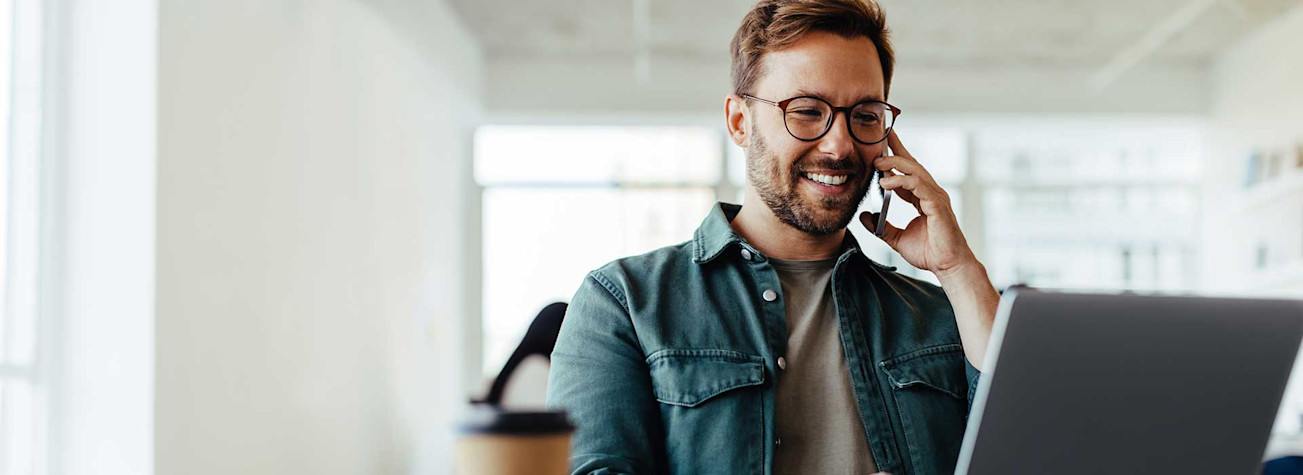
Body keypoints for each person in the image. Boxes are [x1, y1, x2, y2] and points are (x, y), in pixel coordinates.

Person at [546, 0, 1000, 473]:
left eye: (865, 116)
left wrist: (958, 269)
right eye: (806, 111)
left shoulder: (942, 316)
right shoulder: (624, 304)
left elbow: (1032, 447)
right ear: (739, 122)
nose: (840, 144)